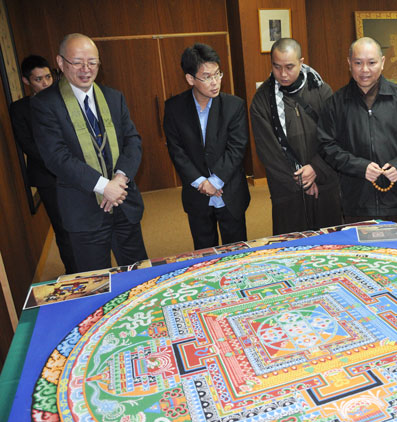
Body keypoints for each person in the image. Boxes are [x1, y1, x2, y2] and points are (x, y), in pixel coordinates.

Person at [31, 33, 148, 272]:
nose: (86, 69)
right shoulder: (45, 104)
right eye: (77, 62)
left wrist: (119, 179)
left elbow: (132, 141)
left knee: (138, 273)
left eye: (92, 62)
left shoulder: (113, 97)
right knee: (96, 281)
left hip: (123, 201)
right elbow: (56, 157)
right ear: (60, 62)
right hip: (83, 211)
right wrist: (104, 186)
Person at [318, 37, 397, 224]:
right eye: (358, 63)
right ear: (349, 63)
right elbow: (326, 145)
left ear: (382, 62)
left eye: (371, 63)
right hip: (356, 201)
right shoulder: (335, 104)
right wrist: (360, 167)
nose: (365, 70)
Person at [250, 38, 341, 234]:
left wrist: (316, 169)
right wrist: (302, 181)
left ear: (301, 62)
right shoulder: (262, 100)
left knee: (330, 243)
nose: (283, 74)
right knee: (293, 246)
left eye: (289, 67)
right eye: (277, 66)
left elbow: (335, 136)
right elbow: (268, 152)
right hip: (287, 189)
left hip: (325, 184)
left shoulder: (321, 90)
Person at [164, 43, 250, 250]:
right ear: (190, 79)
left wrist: (215, 181)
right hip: (197, 194)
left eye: (218, 74)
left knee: (237, 252)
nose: (215, 82)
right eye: (207, 77)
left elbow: (237, 148)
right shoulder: (174, 108)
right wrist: (201, 182)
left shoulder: (234, 105)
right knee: (204, 252)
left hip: (229, 192)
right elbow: (176, 150)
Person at [10, 55, 76, 274]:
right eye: (38, 79)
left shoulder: (66, 100)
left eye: (48, 77)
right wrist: (59, 162)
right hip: (47, 176)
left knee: (85, 223)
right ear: (26, 81)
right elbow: (27, 144)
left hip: (76, 171)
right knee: (63, 228)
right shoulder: (19, 109)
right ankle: (74, 274)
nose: (46, 83)